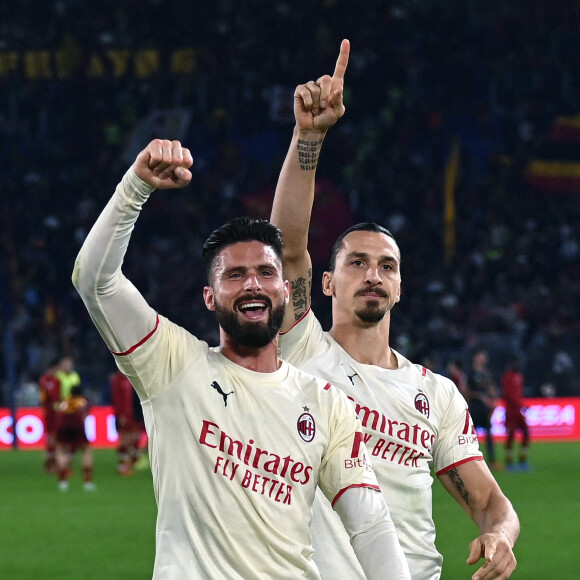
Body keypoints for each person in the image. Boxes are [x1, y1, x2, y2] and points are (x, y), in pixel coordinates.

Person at [72, 138, 411, 579]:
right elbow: (95, 281)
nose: (253, 284)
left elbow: (369, 524)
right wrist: (135, 187)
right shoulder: (172, 365)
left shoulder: (327, 404)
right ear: (210, 298)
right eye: (235, 275)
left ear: (286, 291)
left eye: (266, 273)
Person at [270, 39, 519, 580]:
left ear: (401, 287)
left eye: (387, 265)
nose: (374, 274)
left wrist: (499, 536)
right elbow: (288, 246)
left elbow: (489, 503)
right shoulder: (301, 349)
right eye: (357, 263)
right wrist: (308, 138)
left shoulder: (436, 395)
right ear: (328, 283)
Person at [54, 384, 95, 491]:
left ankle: (63, 481)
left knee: (62, 450)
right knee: (86, 450)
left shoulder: (65, 401)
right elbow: (86, 413)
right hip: (78, 425)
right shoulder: (83, 401)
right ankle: (87, 482)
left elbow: (58, 412)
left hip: (64, 426)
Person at [467, 349, 501, 470]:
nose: (484, 358)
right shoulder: (470, 373)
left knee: (489, 434)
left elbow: (491, 387)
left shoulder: (487, 373)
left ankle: (492, 461)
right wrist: (479, 397)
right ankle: (470, 461)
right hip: (474, 408)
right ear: (476, 357)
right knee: (471, 437)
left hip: (485, 409)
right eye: (482, 356)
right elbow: (466, 390)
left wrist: (494, 398)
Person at [110, 369, 146, 475]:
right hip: (124, 415)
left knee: (135, 438)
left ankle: (129, 464)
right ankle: (123, 466)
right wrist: (120, 414)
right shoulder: (117, 380)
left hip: (134, 414)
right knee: (125, 439)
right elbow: (116, 398)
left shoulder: (131, 378)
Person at [500, 358, 530, 471]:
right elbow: (509, 395)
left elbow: (518, 394)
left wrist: (521, 405)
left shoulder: (519, 376)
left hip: (518, 410)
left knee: (526, 433)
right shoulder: (507, 378)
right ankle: (509, 462)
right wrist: (521, 404)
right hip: (511, 411)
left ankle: (522, 461)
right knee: (511, 435)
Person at [38, 358, 62, 473]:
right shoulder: (44, 380)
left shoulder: (57, 380)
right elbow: (44, 397)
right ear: (53, 368)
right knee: (51, 438)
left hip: (57, 413)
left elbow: (59, 396)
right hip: (49, 413)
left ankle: (52, 463)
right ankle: (49, 464)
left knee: (56, 438)